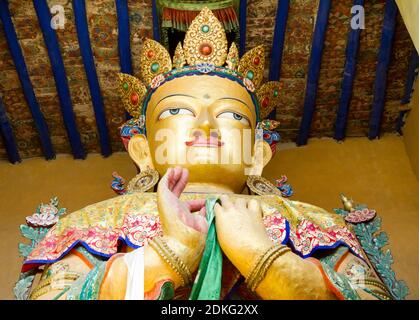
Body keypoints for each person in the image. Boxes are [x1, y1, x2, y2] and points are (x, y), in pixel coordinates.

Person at [21, 8, 391, 300]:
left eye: (231, 115)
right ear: (143, 150)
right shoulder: (95, 223)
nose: (205, 127)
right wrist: (169, 252)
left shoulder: (316, 224)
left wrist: (262, 255)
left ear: (257, 154)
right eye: (177, 111)